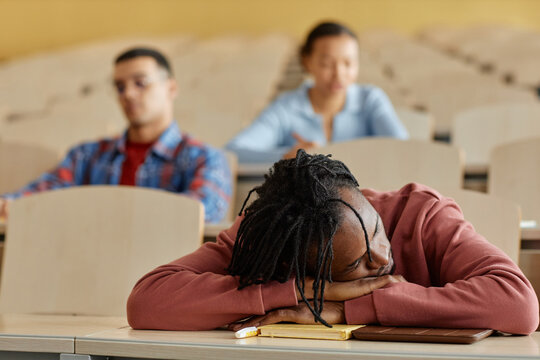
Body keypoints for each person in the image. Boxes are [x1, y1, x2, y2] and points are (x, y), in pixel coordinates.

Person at [127, 150, 538, 335]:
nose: (382, 259)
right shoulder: (271, 238)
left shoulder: (423, 214)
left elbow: (517, 304)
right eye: (354, 264)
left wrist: (347, 308)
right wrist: (300, 293)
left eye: (376, 230)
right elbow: (148, 301)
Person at [0, 47, 232, 223]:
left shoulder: (205, 158)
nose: (128, 94)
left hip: (162, 278)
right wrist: (10, 205)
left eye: (140, 83)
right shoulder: (86, 156)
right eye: (120, 87)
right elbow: (37, 197)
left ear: (171, 88)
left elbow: (201, 212)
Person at [226, 22, 408, 163]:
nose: (339, 74)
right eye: (327, 64)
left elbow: (403, 151)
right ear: (307, 62)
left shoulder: (370, 99)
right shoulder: (286, 107)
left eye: (348, 63)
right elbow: (233, 152)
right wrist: (286, 155)